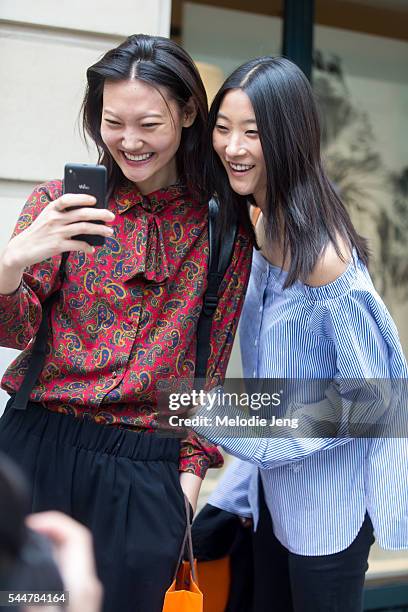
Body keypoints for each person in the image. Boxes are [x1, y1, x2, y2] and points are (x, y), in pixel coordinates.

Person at [0, 34, 252, 612]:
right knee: (26, 604)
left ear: (188, 113)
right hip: (37, 446)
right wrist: (12, 261)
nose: (129, 142)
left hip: (145, 473)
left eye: (149, 124)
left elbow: (207, 371)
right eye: (114, 122)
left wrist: (186, 482)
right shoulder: (59, 203)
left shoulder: (221, 232)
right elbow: (13, 331)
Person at [191, 56, 408, 612]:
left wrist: (216, 417)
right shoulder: (260, 223)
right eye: (223, 128)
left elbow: (374, 402)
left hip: (330, 512)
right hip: (273, 497)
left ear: (288, 138)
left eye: (253, 132)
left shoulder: (326, 259)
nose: (233, 147)